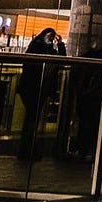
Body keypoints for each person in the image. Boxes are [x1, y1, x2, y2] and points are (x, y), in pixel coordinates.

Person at [16, 26, 67, 161]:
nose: (51, 39)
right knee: (32, 117)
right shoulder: (37, 46)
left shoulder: (48, 48)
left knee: (32, 118)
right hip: (33, 87)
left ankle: (27, 149)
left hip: (41, 87)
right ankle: (27, 149)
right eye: (49, 36)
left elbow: (62, 60)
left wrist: (60, 44)